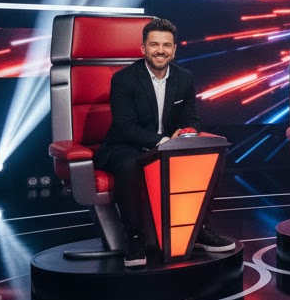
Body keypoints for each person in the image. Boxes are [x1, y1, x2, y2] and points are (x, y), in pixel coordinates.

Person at [94, 17, 237, 268]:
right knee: (129, 164)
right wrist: (163, 141)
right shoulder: (124, 79)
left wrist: (187, 135)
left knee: (208, 155)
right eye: (154, 44)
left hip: (167, 146)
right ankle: (135, 237)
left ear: (174, 49)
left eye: (166, 45)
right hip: (125, 145)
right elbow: (125, 127)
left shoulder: (184, 78)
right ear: (143, 49)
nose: (160, 50)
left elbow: (191, 117)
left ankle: (198, 228)